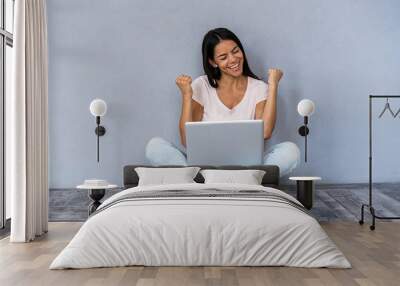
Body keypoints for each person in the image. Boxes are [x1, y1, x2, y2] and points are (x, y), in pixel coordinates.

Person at [145, 28, 300, 177]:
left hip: (247, 167)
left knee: (290, 151)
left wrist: (273, 85)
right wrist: (187, 95)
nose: (233, 60)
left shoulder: (259, 88)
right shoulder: (201, 85)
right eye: (223, 57)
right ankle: (228, 179)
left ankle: (195, 180)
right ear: (213, 62)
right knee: (154, 147)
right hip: (204, 166)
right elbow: (187, 141)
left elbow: (265, 132)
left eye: (235, 51)